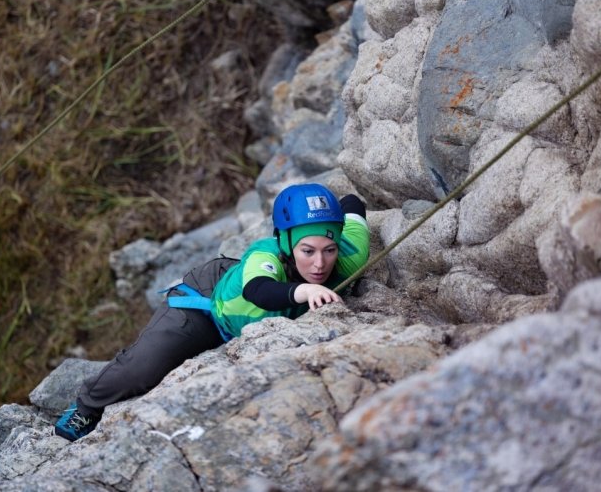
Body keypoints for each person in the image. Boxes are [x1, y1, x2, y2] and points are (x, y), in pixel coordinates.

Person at [55, 183, 370, 441]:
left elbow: (353, 203)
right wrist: (305, 290)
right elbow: (258, 290)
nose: (320, 263)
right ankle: (87, 406)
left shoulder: (349, 253)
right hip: (208, 305)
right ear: (285, 242)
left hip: (242, 307)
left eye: (328, 250)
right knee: (145, 367)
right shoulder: (265, 255)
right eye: (307, 251)